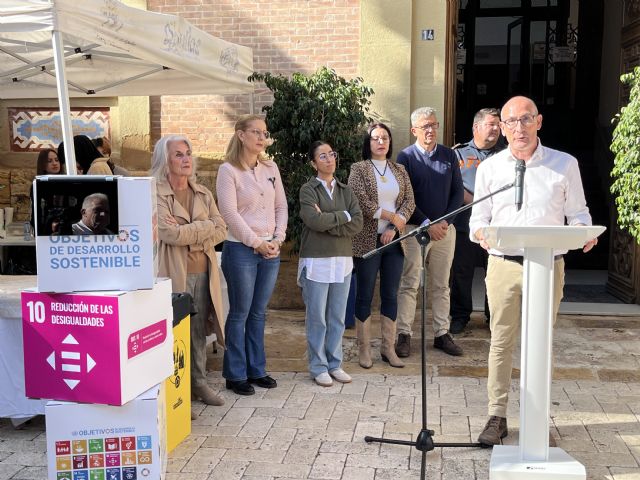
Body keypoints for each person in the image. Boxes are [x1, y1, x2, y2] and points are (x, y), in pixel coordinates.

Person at [470, 95, 597, 446]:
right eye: (510, 122)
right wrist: (480, 232)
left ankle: (537, 419)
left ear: (538, 122)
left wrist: (585, 232)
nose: (518, 128)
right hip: (504, 265)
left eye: (526, 120)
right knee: (500, 342)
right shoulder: (490, 168)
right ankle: (497, 416)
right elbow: (477, 219)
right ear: (503, 128)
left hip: (548, 266)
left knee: (540, 343)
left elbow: (580, 213)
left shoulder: (564, 164)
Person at [151, 134, 228, 407]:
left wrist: (191, 232)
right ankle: (176, 393)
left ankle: (199, 383)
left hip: (205, 271)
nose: (185, 159)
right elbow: (168, 233)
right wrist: (203, 227)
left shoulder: (203, 193)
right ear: (165, 160)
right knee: (173, 333)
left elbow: (221, 229)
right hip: (174, 271)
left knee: (197, 332)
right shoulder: (156, 193)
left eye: (188, 153)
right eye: (178, 154)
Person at [216, 114, 288, 396]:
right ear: (241, 135)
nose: (262, 137)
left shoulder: (271, 167)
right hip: (241, 250)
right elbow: (229, 214)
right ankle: (235, 374)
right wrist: (256, 242)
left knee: (259, 313)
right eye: (256, 132)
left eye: (264, 133)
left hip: (271, 249)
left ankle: (256, 369)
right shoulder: (228, 171)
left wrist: (278, 238)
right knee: (240, 313)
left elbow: (281, 206)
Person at [395, 107, 464, 358]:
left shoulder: (448, 155)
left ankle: (441, 334)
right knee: (410, 283)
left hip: (446, 230)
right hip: (415, 230)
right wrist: (427, 222)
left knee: (441, 284)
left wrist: (445, 222)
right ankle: (404, 335)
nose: (431, 130)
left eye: (434, 125)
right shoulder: (405, 157)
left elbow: (457, 192)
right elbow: (405, 197)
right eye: (425, 126)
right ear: (414, 130)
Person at [348, 123, 415, 369]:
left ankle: (388, 349)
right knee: (364, 294)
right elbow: (360, 201)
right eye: (375, 138)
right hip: (367, 241)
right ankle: (364, 350)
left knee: (390, 294)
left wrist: (394, 227)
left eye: (385, 137)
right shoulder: (359, 169)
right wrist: (390, 215)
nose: (381, 142)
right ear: (369, 142)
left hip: (394, 242)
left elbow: (409, 201)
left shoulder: (400, 169)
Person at [299, 141, 363, 387]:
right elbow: (313, 221)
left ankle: (335, 364)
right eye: (322, 156)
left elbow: (356, 223)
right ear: (314, 163)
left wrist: (330, 221)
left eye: (332, 154)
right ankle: (318, 366)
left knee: (337, 316)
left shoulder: (346, 191)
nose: (329, 159)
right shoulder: (308, 189)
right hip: (317, 260)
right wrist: (342, 217)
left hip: (342, 261)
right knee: (317, 317)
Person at [449, 108, 506, 334]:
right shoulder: (458, 154)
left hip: (498, 225)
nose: (495, 129)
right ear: (476, 127)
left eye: (498, 125)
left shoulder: (506, 154)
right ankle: (460, 316)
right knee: (462, 273)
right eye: (491, 124)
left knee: (496, 274)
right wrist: (477, 202)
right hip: (465, 224)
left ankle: (493, 316)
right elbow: (453, 186)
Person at [30, 149, 62, 229]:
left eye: (56, 160)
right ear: (43, 165)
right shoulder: (38, 184)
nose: (54, 163)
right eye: (49, 161)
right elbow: (36, 210)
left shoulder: (67, 182)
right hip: (45, 227)